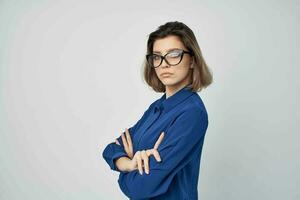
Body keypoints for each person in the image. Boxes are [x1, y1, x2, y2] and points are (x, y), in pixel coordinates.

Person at [102, 21, 213, 200]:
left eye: (174, 54)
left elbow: (140, 188)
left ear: (192, 60)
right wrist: (130, 165)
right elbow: (110, 150)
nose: (163, 64)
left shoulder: (192, 113)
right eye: (156, 56)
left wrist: (123, 175)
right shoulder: (157, 107)